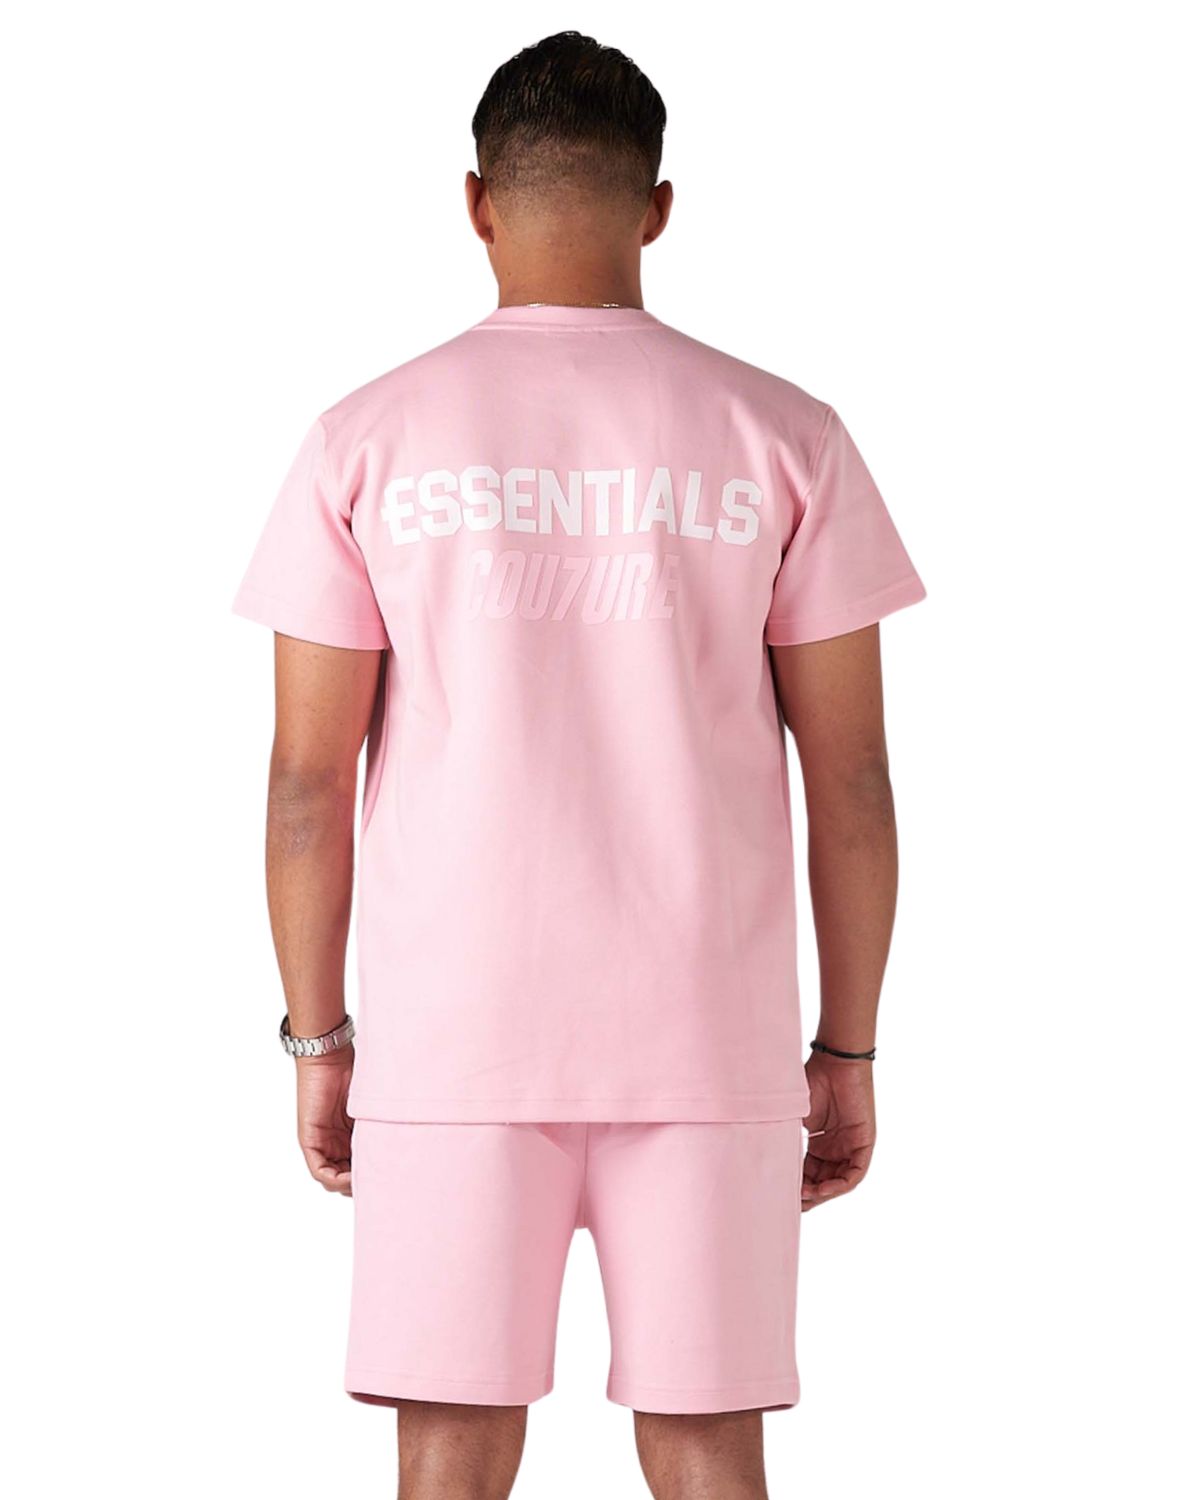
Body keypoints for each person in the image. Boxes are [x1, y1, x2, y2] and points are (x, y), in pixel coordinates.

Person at [233, 29, 926, 1500]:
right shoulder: (785, 435)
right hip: (709, 1034)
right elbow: (852, 780)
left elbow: (307, 785)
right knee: (708, 1453)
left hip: (455, 1038)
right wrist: (848, 1049)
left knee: (451, 1456)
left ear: (476, 204)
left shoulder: (365, 439)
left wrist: (319, 1040)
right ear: (658, 209)